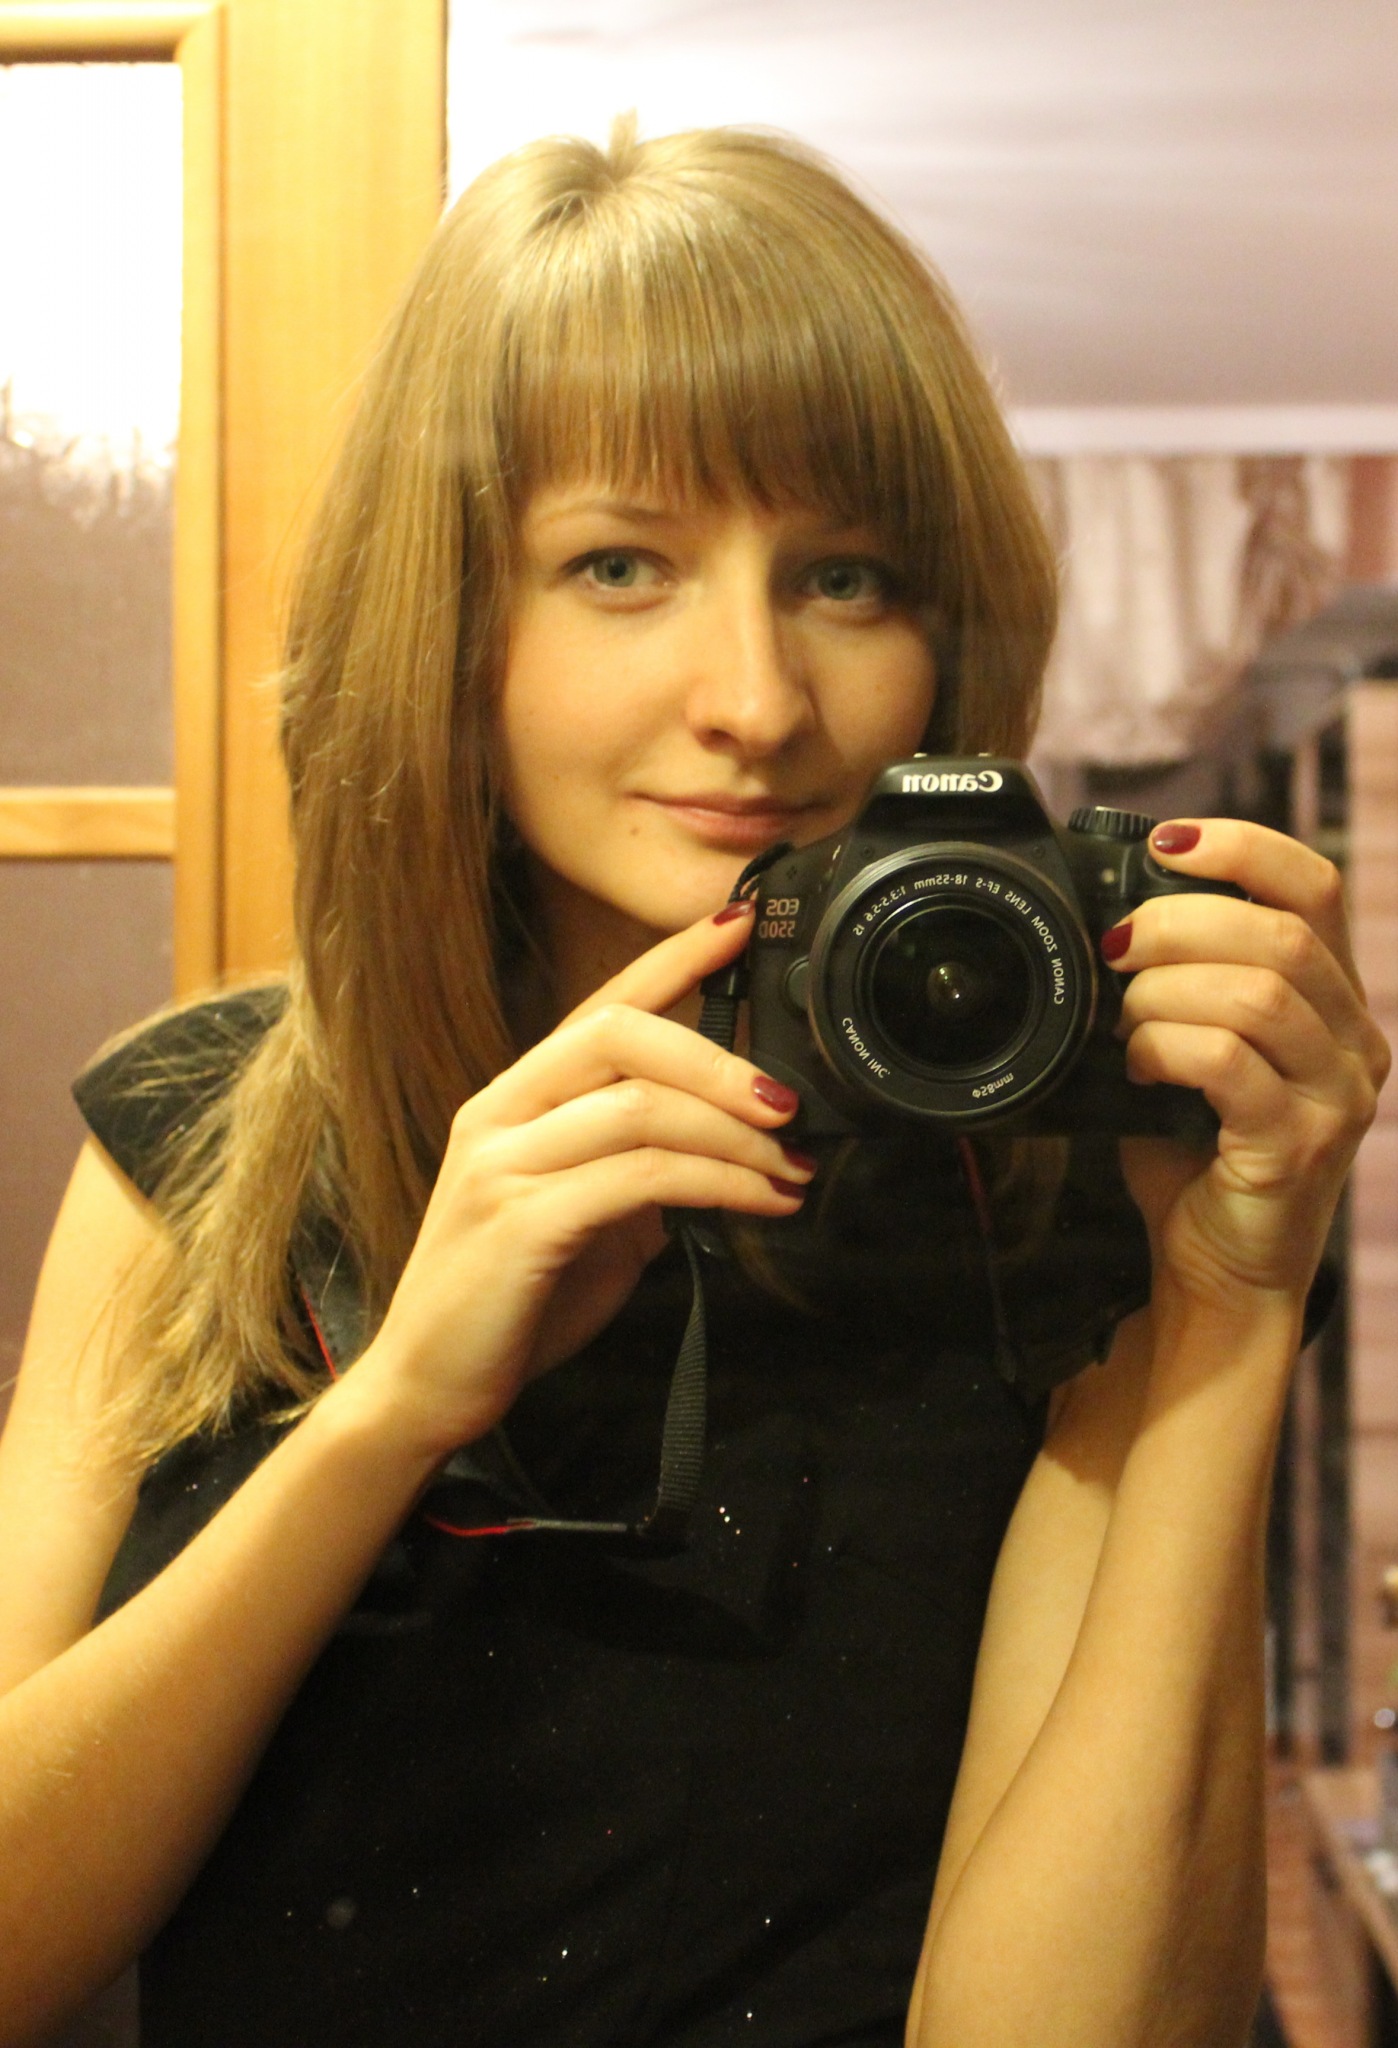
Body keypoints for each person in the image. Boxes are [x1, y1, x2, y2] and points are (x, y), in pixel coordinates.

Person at [0, 121, 1386, 2048]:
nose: (755, 698)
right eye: (620, 564)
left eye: (846, 577)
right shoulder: (217, 1135)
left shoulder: (1072, 1190)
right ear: (451, 620)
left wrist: (1225, 1316)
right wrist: (391, 1413)